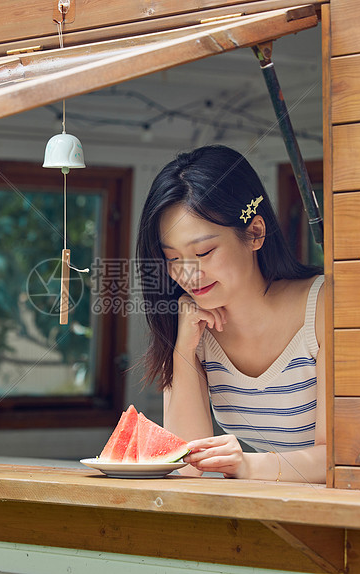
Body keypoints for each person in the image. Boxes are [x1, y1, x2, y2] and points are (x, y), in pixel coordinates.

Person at [136, 145, 325, 482]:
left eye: (204, 251)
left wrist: (247, 465)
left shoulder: (321, 309)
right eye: (172, 258)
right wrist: (183, 352)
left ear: (255, 233)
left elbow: (343, 458)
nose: (187, 274)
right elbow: (186, 464)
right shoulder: (192, 327)